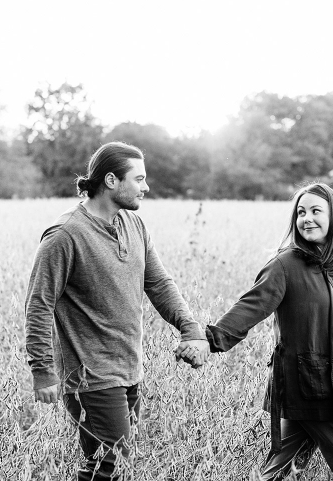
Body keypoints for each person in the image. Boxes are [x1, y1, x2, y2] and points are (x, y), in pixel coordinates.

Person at [25, 141, 210, 480]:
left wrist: (190, 327)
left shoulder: (134, 224)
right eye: (138, 179)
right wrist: (42, 370)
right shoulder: (65, 235)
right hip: (90, 376)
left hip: (129, 368)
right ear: (111, 180)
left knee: (113, 466)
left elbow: (158, 283)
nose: (146, 187)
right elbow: (39, 304)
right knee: (111, 466)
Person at [177, 182, 333, 480]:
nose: (306, 218)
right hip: (309, 383)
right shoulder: (285, 265)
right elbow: (251, 306)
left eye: (315, 211)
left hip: (331, 381)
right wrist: (211, 340)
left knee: (283, 467)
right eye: (301, 212)